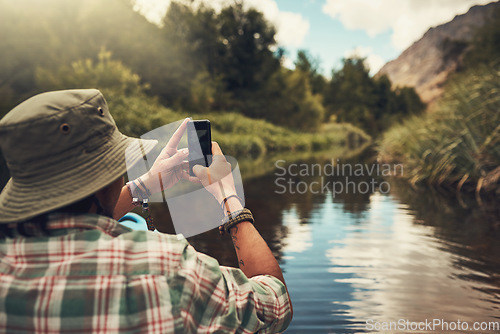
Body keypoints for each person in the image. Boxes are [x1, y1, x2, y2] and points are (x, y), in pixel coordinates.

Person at [0, 89, 292, 333]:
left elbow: (77, 220)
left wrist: (144, 186)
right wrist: (228, 196)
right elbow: (275, 303)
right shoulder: (169, 268)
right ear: (107, 178)